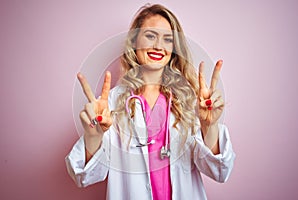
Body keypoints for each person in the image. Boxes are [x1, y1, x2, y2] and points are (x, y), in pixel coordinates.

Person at [66, 4, 235, 200]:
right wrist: (93, 137)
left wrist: (210, 125)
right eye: (150, 36)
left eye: (168, 39)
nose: (158, 46)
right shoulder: (112, 102)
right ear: (134, 42)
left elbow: (220, 172)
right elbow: (84, 176)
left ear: (174, 49)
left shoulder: (190, 100)